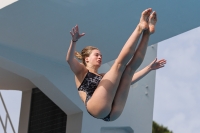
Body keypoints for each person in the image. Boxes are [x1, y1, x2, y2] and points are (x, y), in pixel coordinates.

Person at [66, 8, 166, 121]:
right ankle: (140, 27)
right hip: (98, 108)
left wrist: (148, 68)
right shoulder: (81, 71)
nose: (100, 57)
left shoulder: (103, 77)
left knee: (128, 72)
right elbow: (69, 60)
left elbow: (129, 80)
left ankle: (147, 33)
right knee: (119, 65)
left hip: (110, 113)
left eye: (101, 56)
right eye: (96, 55)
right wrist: (73, 41)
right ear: (86, 59)